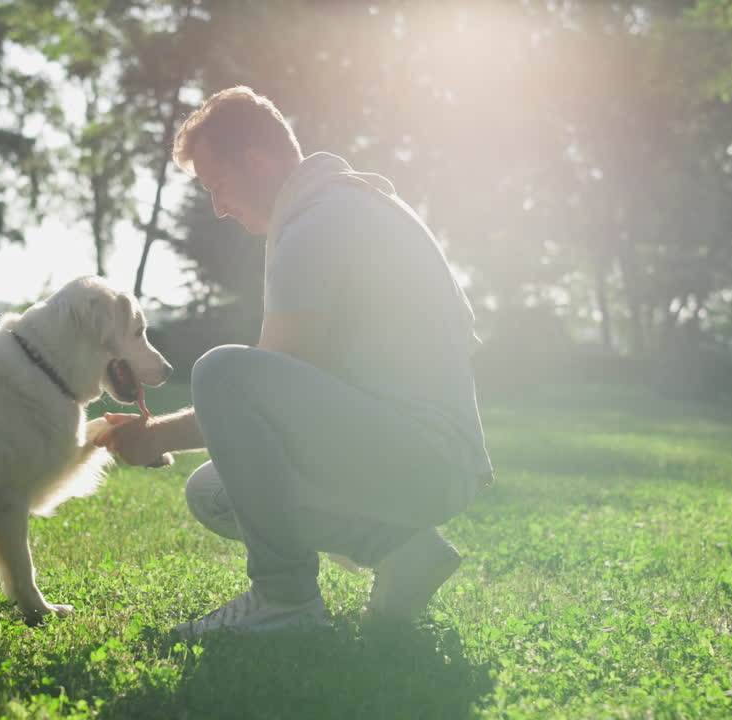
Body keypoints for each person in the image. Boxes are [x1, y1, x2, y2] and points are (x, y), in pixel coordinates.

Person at [96, 86, 494, 636]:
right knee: (213, 491)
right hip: (432, 461)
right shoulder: (349, 204)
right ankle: (402, 550)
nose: (218, 207)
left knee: (221, 370)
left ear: (257, 162)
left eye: (220, 186)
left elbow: (250, 389)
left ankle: (284, 599)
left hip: (418, 458)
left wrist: (151, 436)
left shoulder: (316, 226)